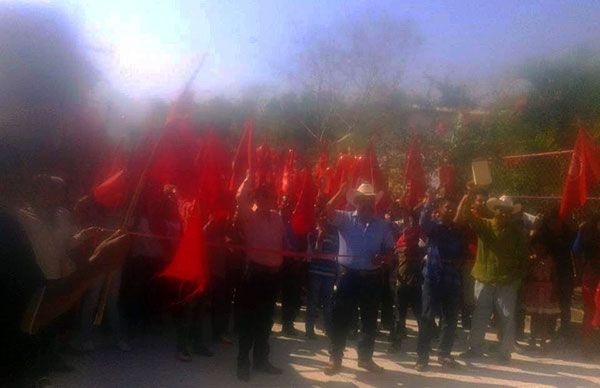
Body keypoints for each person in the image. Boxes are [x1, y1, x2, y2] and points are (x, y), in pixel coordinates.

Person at [0, 206, 130, 386]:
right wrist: (97, 264)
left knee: (51, 324)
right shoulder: (17, 219)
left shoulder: (61, 214)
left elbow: (68, 242)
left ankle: (47, 360)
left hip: (56, 273)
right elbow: (32, 311)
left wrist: (84, 237)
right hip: (45, 274)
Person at [324, 182, 395, 375]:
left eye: (370, 201)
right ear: (356, 202)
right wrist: (340, 190)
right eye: (363, 201)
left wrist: (385, 257)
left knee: (369, 321)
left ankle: (365, 359)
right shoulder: (345, 219)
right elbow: (327, 209)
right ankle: (335, 358)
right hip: (348, 277)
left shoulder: (383, 224)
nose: (367, 204)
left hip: (371, 278)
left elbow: (390, 249)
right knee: (340, 319)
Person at [457, 193, 528, 363]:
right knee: (480, 315)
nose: (503, 213)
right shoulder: (484, 226)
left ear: (511, 213)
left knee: (508, 317)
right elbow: (466, 215)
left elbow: (523, 260)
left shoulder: (518, 234)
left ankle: (505, 352)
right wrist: (467, 195)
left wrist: (516, 280)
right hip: (484, 279)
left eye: (507, 211)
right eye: (500, 210)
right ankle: (474, 349)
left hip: (507, 282)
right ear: (495, 210)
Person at [235, 174, 286, 382]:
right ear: (257, 199)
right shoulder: (249, 216)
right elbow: (240, 199)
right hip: (254, 276)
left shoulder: (278, 217)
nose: (268, 201)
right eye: (263, 197)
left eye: (270, 197)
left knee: (265, 322)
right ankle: (242, 363)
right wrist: (246, 180)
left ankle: (261, 360)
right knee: (248, 321)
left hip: (272, 278)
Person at [416, 198, 467, 370]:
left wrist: (460, 261)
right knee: (427, 317)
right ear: (440, 210)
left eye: (453, 208)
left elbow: (463, 252)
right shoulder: (435, 228)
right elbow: (423, 222)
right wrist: (428, 202)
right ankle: (422, 358)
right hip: (433, 278)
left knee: (450, 319)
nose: (451, 210)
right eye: (447, 207)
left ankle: (444, 354)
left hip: (452, 280)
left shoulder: (458, 231)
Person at [536, 208, 575, 338]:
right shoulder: (543, 235)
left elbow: (575, 253)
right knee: (547, 304)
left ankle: (564, 331)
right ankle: (547, 332)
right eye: (552, 222)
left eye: (558, 221)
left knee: (564, 304)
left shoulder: (569, 235)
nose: (555, 224)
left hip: (564, 274)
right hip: (546, 275)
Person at [389, 210, 424, 353]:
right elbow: (393, 265)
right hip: (404, 285)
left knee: (403, 316)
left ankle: (399, 344)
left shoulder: (417, 248)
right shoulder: (407, 248)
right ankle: (397, 343)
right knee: (401, 316)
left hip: (411, 285)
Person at [305, 197, 339, 339]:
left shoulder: (335, 233)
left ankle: (328, 328)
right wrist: (319, 237)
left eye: (327, 217)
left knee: (327, 301)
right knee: (312, 300)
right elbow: (313, 253)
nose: (325, 219)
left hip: (330, 273)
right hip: (316, 272)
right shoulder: (312, 233)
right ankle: (309, 329)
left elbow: (337, 252)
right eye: (321, 216)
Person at [523, 236, 560, 351]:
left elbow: (554, 276)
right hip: (535, 289)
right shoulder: (532, 260)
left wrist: (555, 290)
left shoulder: (550, 261)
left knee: (544, 317)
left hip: (547, 290)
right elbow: (527, 274)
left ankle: (543, 340)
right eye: (536, 248)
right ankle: (532, 339)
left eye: (541, 248)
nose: (539, 250)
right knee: (534, 316)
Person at [572, 215, 600, 355]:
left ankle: (586, 346)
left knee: (589, 310)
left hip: (590, 272)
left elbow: (575, 249)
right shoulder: (586, 227)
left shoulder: (586, 227)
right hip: (591, 272)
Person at [279, 195, 305, 337]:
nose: (286, 207)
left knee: (291, 296)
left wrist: (298, 259)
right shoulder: (275, 220)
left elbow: (301, 242)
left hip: (292, 264)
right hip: (278, 262)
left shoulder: (296, 223)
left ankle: (288, 323)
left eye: (289, 205)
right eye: (284, 204)